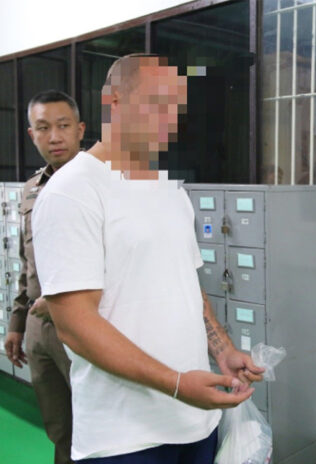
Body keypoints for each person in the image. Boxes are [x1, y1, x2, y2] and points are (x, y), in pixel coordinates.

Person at [32, 54, 264, 463]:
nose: (169, 118)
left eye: (176, 106)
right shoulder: (73, 191)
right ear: (115, 102)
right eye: (156, 103)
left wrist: (222, 349)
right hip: (124, 437)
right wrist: (175, 383)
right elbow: (75, 326)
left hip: (196, 422)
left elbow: (185, 283)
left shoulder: (169, 189)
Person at [4, 89, 85, 464]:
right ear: (31, 134)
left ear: (80, 129)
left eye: (63, 126)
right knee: (59, 428)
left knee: (96, 426)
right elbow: (27, 264)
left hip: (87, 329)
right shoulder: (31, 189)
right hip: (40, 331)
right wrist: (17, 324)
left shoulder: (102, 184)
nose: (54, 136)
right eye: (43, 128)